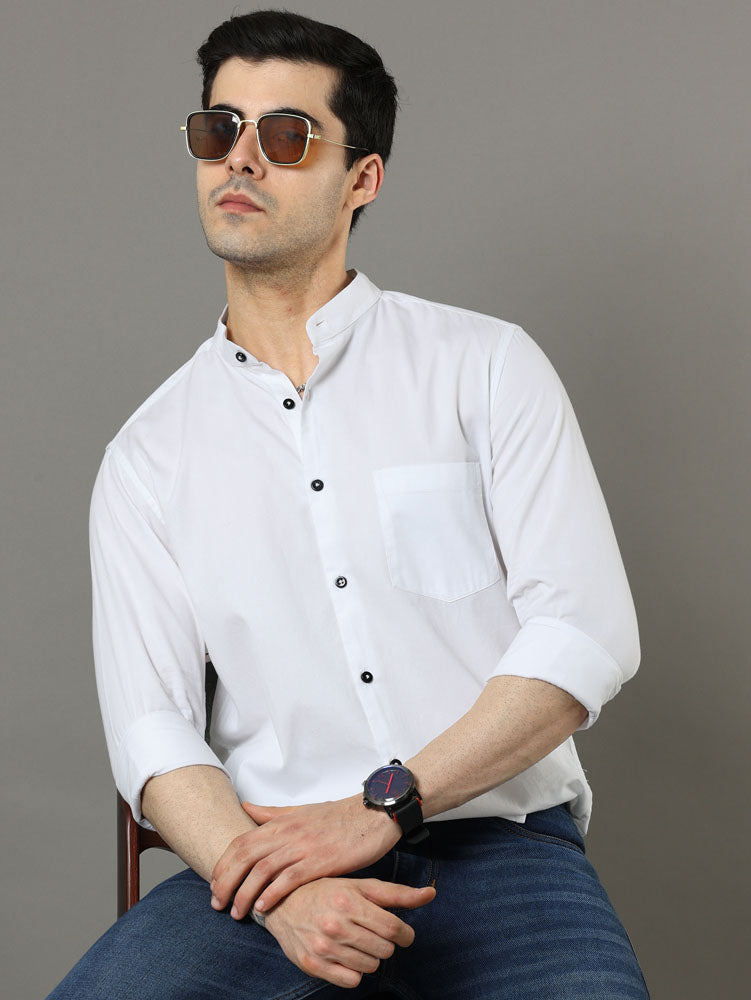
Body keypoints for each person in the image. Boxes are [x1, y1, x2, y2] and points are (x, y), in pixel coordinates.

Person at [47, 9, 651, 999]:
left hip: (498, 849)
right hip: (265, 864)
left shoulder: (484, 368)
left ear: (361, 179)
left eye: (287, 135)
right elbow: (154, 734)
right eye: (218, 129)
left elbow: (584, 633)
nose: (241, 158)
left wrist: (382, 808)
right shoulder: (148, 457)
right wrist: (275, 890)